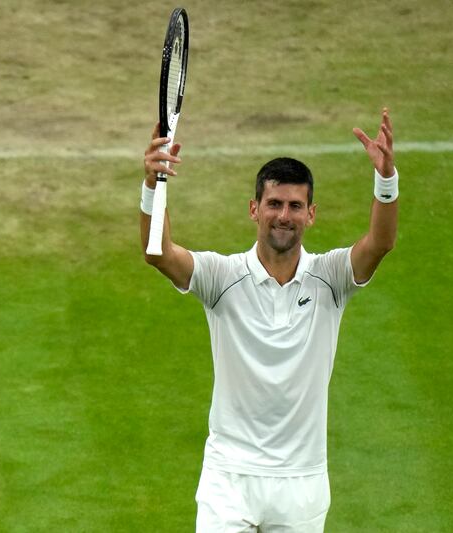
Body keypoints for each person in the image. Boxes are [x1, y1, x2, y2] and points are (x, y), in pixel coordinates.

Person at [139, 108, 399, 532]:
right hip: (229, 478)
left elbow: (381, 243)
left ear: (311, 215)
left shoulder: (330, 279)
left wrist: (386, 181)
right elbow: (158, 253)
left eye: (295, 206)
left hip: (302, 484)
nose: (284, 215)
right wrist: (153, 184)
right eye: (274, 203)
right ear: (254, 209)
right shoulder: (221, 277)